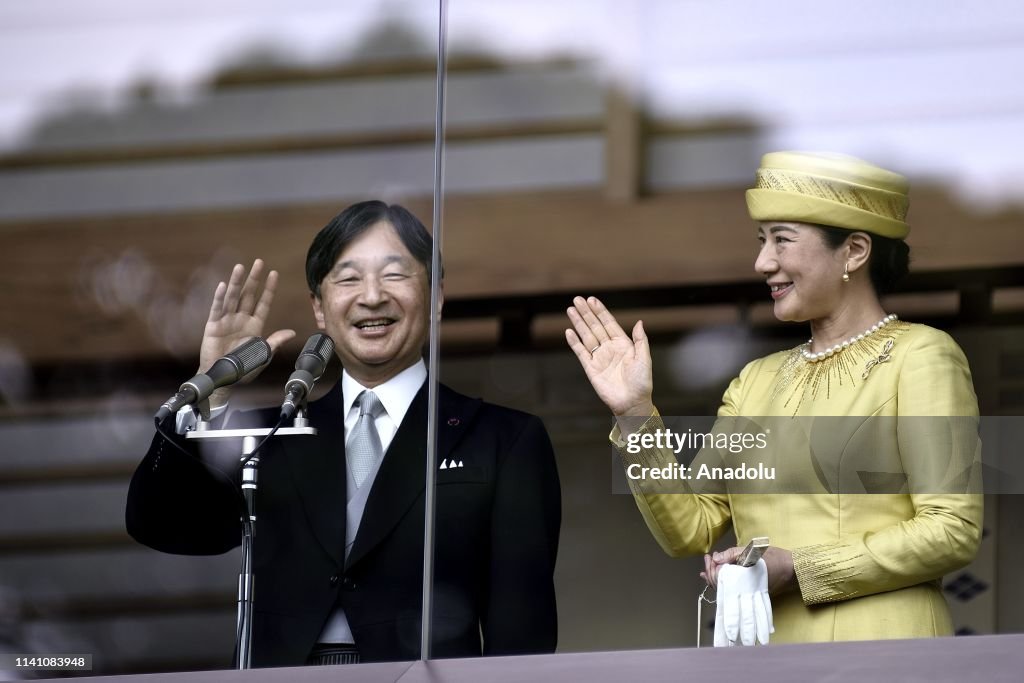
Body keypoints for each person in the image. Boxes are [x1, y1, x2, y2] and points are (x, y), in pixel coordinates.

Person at [565, 151, 982, 643]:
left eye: (781, 240)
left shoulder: (922, 355)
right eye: (762, 241)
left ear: (854, 251)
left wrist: (800, 568)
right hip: (766, 651)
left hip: (883, 647)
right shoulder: (754, 381)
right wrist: (634, 414)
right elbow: (690, 529)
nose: (763, 262)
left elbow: (951, 530)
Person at [127, 201, 561, 666]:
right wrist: (210, 392)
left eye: (395, 275)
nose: (372, 296)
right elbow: (165, 526)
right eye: (348, 278)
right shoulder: (271, 433)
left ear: (435, 297)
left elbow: (522, 628)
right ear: (319, 306)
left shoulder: (502, 439)